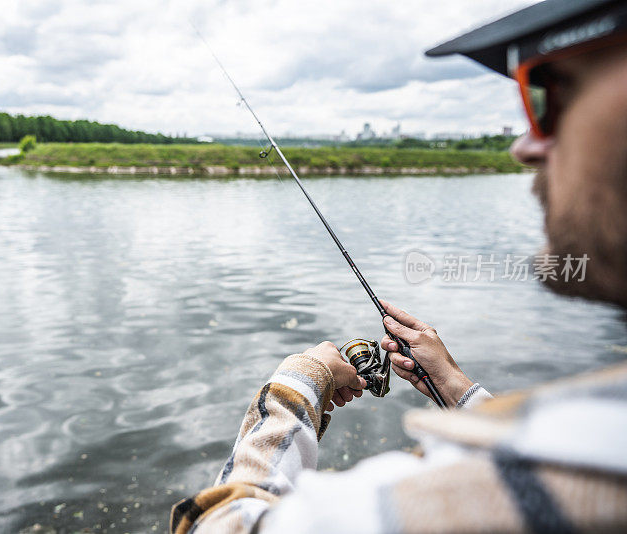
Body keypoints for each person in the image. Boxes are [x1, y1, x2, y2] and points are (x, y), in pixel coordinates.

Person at [171, 0, 627, 531]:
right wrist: (456, 389)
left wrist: (297, 384)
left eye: (548, 94)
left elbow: (223, 524)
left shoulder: (549, 481)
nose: (524, 146)